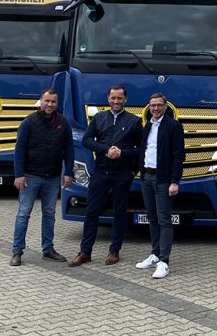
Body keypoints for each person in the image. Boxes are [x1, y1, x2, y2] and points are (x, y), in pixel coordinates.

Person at [69, 85, 142, 267]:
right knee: (92, 211)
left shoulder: (134, 121)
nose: (116, 101)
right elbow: (86, 140)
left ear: (125, 99)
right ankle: (85, 252)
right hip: (101, 172)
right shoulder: (99, 118)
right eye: (113, 98)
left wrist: (128, 163)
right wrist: (105, 150)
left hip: (122, 173)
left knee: (119, 212)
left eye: (119, 98)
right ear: (108, 98)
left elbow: (141, 150)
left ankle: (114, 251)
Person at [10, 88, 74, 266]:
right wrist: (19, 174)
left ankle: (48, 250)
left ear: (57, 103)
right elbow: (19, 149)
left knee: (49, 214)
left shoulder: (63, 123)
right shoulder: (29, 122)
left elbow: (69, 149)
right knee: (23, 213)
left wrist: (68, 172)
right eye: (47, 101)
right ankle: (17, 251)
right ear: (41, 101)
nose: (50, 104)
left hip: (53, 177)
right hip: (30, 176)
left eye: (53, 101)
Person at [135, 93, 185, 279]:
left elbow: (179, 155)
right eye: (152, 105)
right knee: (152, 217)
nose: (155, 108)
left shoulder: (173, 126)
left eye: (158, 105)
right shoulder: (147, 126)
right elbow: (144, 150)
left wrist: (175, 181)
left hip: (163, 179)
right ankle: (155, 254)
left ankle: (164, 261)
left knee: (164, 219)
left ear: (165, 106)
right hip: (147, 177)